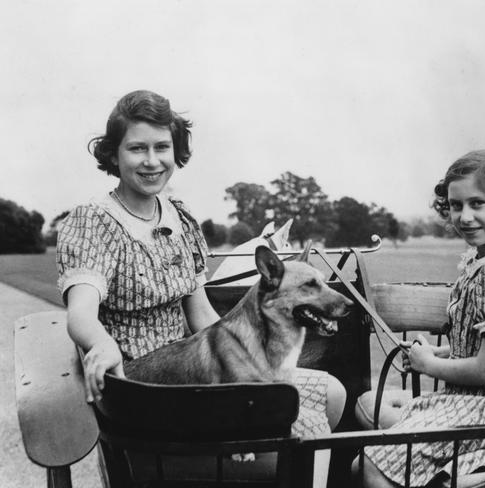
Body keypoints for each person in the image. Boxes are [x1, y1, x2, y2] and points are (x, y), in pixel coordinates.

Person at [56, 89, 344, 484]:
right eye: (137, 148)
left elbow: (202, 316)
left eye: (162, 147)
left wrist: (253, 361)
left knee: (331, 395)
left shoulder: (180, 219)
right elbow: (81, 314)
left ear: (177, 150)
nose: (152, 161)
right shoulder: (93, 222)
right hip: (146, 392)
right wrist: (102, 344)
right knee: (307, 431)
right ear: (114, 154)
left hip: (196, 372)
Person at [355, 149, 485, 487]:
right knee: (367, 414)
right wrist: (434, 354)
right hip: (473, 403)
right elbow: (481, 345)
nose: (464, 216)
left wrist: (428, 365)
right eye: (456, 205)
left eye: (477, 204)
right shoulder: (484, 259)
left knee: (370, 464)